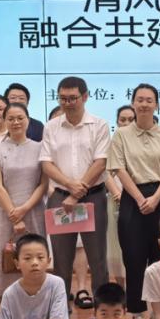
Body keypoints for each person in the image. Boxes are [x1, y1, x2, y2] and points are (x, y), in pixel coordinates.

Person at [109, 84, 160, 319]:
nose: (144, 104)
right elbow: (119, 168)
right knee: (134, 258)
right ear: (133, 103)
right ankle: (138, 315)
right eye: (140, 99)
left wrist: (156, 198)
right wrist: (140, 199)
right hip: (133, 198)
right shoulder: (121, 135)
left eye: (149, 100)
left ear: (157, 104)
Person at [40, 75, 111, 303]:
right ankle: (60, 312)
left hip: (93, 198)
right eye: (63, 98)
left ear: (85, 97)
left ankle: (102, 311)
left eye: (73, 98)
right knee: (61, 260)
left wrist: (77, 192)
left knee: (97, 259)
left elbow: (101, 162)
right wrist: (70, 187)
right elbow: (46, 164)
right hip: (61, 200)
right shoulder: (51, 127)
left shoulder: (99, 125)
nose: (68, 103)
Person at [0, 102, 47, 305]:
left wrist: (25, 208)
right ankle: (5, 297)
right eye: (10, 118)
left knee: (34, 255)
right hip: (4, 213)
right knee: (4, 256)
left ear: (28, 120)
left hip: (34, 210)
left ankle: (36, 296)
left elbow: (43, 184)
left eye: (20, 118)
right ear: (5, 121)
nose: (16, 122)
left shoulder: (40, 148)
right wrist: (14, 214)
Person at [106, 105, 136, 290]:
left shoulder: (143, 143)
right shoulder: (111, 144)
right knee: (116, 247)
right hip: (115, 201)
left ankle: (137, 290)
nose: (126, 123)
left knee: (136, 246)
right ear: (117, 122)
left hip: (139, 201)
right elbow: (106, 172)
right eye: (122, 120)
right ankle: (121, 290)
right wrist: (117, 193)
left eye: (130, 120)